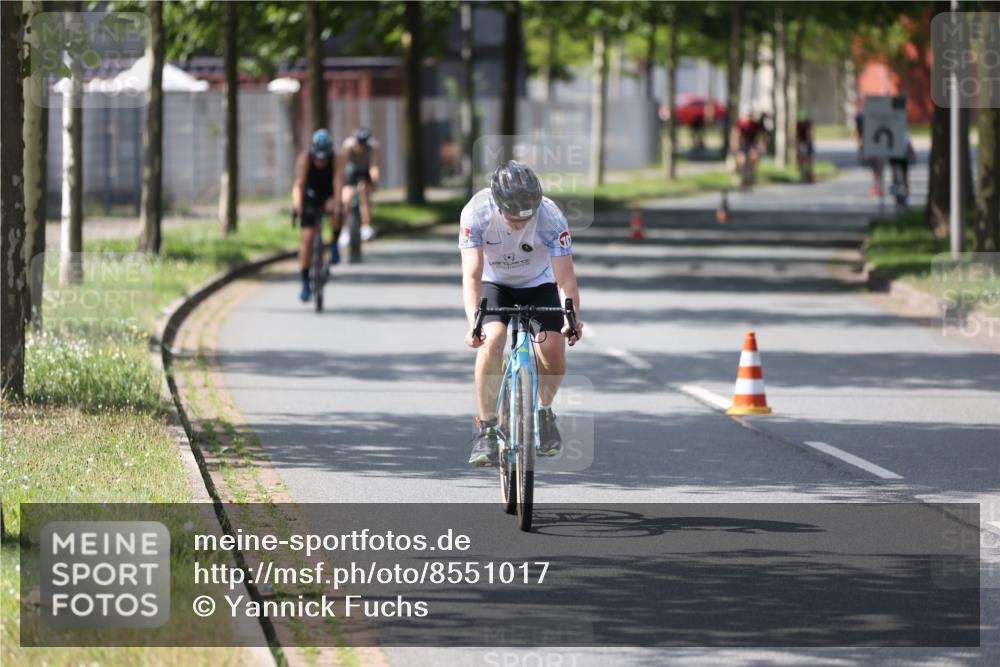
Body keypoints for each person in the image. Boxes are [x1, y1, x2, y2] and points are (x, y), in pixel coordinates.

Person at [459, 161, 583, 466]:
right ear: (498, 204)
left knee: (552, 349)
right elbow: (472, 276)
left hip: (539, 283)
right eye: (513, 217)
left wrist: (572, 319)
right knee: (493, 340)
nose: (519, 223)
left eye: (526, 215)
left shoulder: (551, 216)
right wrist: (474, 323)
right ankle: (486, 428)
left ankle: (544, 411)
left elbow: (565, 280)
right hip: (494, 283)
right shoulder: (476, 213)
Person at [292, 128, 343, 302]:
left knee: (337, 211)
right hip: (310, 196)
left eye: (324, 157)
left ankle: (335, 245)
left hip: (328, 194)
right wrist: (297, 205)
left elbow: (338, 182)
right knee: (307, 238)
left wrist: (337, 204)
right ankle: (305, 281)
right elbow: (298, 185)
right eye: (318, 157)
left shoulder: (336, 160)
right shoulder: (305, 159)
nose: (320, 161)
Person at [338, 127, 381, 245]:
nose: (360, 147)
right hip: (351, 171)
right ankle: (345, 230)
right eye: (359, 143)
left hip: (365, 172)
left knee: (364, 191)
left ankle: (366, 226)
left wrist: (374, 182)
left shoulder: (373, 147)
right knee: (346, 198)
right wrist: (341, 185)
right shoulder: (348, 146)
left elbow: (374, 167)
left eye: (363, 144)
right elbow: (342, 167)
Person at [731, 105, 763, 184]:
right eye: (747, 115)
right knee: (741, 160)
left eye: (750, 115)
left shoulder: (756, 124)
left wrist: (761, 145)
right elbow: (735, 134)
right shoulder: (740, 123)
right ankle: (741, 175)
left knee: (753, 157)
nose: (748, 117)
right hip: (742, 144)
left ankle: (752, 174)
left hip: (752, 144)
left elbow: (760, 136)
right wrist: (735, 145)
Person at [855, 109, 883, 197]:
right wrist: (860, 143)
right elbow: (858, 132)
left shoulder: (862, 117)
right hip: (870, 144)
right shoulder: (860, 117)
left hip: (876, 144)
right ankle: (877, 186)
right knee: (876, 167)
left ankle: (877, 187)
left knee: (877, 167)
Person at [795, 110, 815, 182]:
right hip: (803, 142)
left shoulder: (806, 123)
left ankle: (809, 174)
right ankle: (804, 174)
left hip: (806, 142)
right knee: (804, 159)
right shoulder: (799, 124)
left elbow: (810, 134)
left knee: (807, 159)